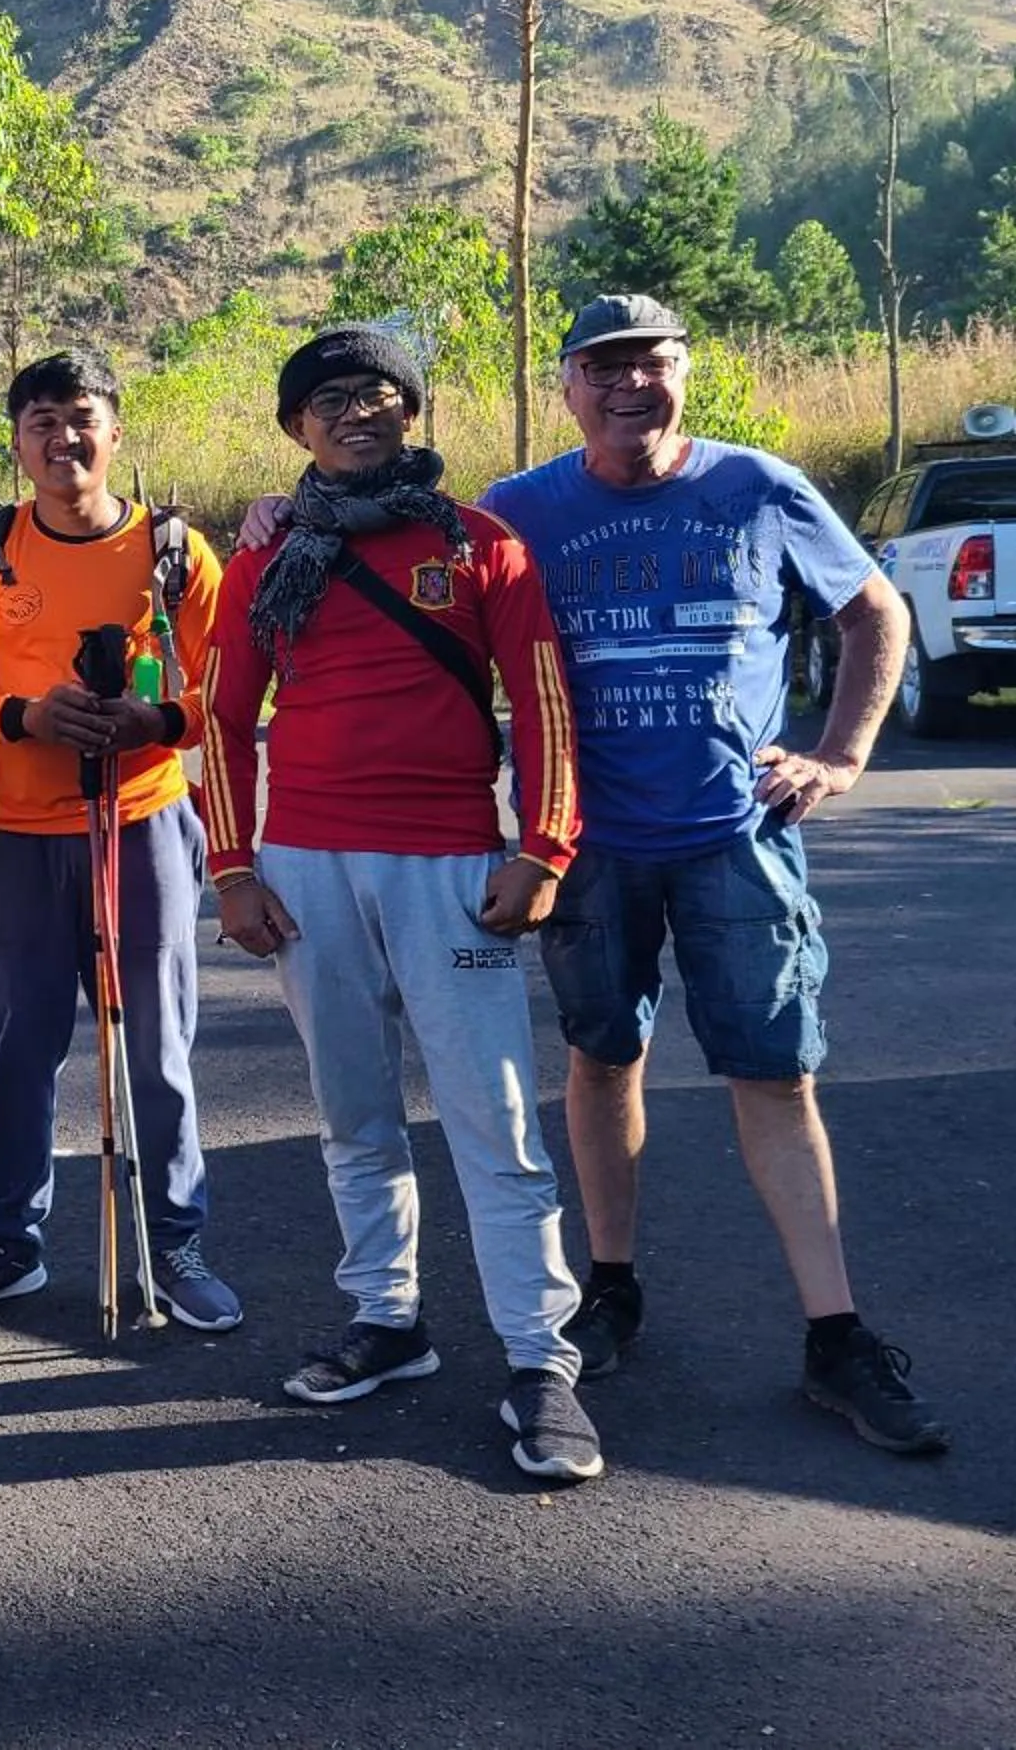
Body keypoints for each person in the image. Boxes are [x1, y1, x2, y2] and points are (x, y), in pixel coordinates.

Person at [480, 293, 947, 1455]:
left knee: (776, 1077)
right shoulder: (518, 509)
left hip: (737, 837)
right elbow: (417, 594)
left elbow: (872, 609)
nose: (630, 384)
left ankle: (835, 1338)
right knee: (601, 1058)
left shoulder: (758, 486)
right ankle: (613, 1287)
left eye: (652, 363)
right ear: (568, 385)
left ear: (686, 374)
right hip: (590, 845)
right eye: (604, 367)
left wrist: (842, 754)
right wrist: (289, 519)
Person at [209, 327, 601, 1484]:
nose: (356, 413)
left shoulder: (479, 545)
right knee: (354, 1116)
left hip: (449, 867)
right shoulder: (267, 559)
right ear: (297, 429)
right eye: (329, 400)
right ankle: (389, 1321)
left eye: (379, 394)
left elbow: (543, 706)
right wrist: (233, 867)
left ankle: (540, 1362)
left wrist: (543, 849)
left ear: (412, 412)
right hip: (305, 869)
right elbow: (223, 718)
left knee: (494, 1122)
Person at [0, 350, 242, 1332]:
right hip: (14, 831)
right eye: (43, 420)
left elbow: (225, 688)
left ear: (116, 429)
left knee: (159, 1043)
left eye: (82, 417)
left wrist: (156, 722)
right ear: (17, 442)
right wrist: (23, 716)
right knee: (17, 1048)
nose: (65, 438)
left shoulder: (176, 551)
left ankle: (173, 1245)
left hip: (139, 821)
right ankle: (7, 1245)